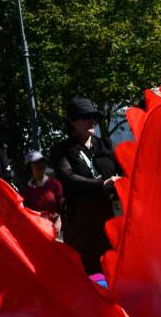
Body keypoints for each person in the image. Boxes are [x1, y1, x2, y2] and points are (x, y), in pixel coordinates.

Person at [50, 96, 121, 276]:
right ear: (72, 121)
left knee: (118, 269)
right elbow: (68, 179)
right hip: (83, 222)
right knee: (90, 273)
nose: (92, 121)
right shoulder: (62, 149)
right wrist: (102, 185)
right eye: (86, 116)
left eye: (94, 116)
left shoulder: (106, 144)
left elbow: (125, 169)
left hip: (112, 216)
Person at [21, 150, 64, 236]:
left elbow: (64, 207)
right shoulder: (27, 190)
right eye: (35, 163)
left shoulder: (55, 184)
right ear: (30, 167)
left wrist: (59, 222)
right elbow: (26, 213)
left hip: (57, 231)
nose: (40, 165)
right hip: (39, 231)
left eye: (41, 161)